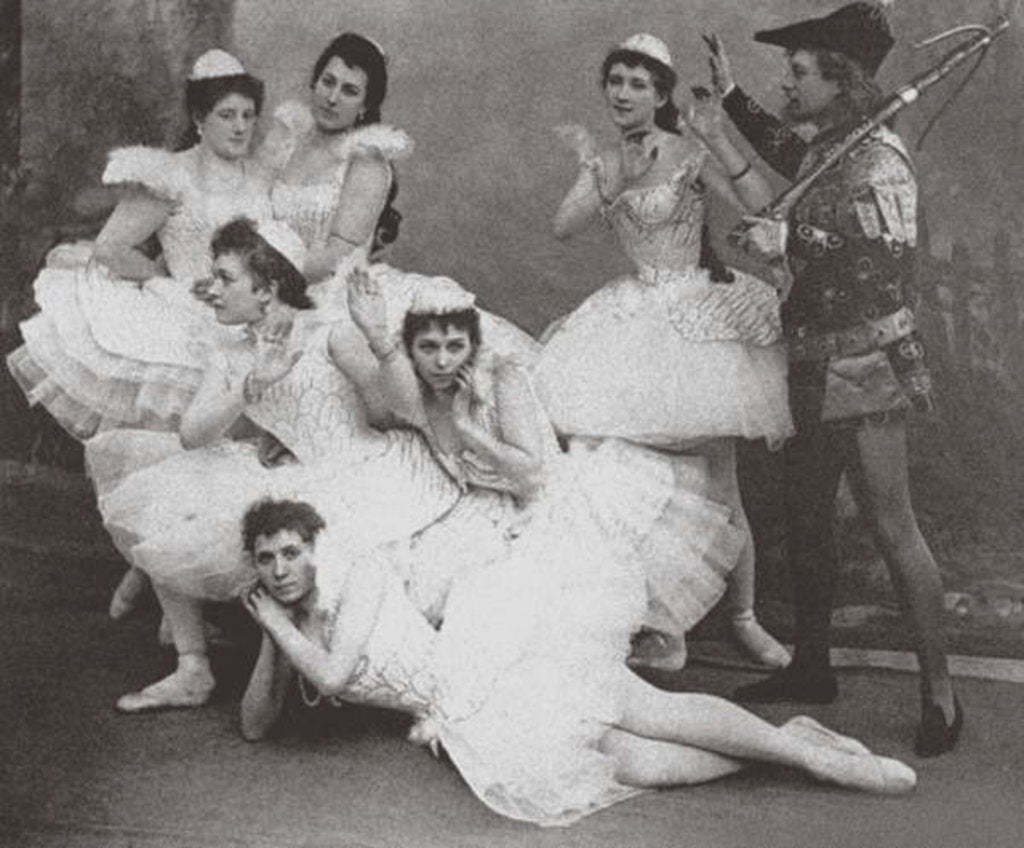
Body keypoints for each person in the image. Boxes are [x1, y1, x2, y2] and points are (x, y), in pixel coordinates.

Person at [240, 495, 917, 828]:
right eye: (266, 559)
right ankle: (786, 743)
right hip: (458, 721)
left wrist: (273, 620)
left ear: (317, 548)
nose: (280, 569)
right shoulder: (289, 625)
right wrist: (272, 637)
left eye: (292, 553)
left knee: (649, 710)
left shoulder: (359, 578)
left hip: (487, 658)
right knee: (639, 766)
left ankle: (818, 760)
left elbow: (331, 676)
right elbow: (254, 725)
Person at [709, 2, 962, 756]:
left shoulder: (881, 156)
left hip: (867, 364)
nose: (787, 82)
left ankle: (941, 694)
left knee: (893, 526)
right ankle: (812, 666)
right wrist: (729, 99)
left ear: (837, 75)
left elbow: (882, 262)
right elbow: (786, 147)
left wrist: (789, 236)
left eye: (797, 71)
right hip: (813, 356)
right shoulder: (836, 143)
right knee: (806, 518)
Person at [90, 217, 462, 712]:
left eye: (225, 278)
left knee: (313, 557)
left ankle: (289, 666)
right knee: (169, 496)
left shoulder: (330, 335)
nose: (212, 289)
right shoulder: (231, 352)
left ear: (266, 289)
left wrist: (375, 341)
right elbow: (193, 434)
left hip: (368, 469)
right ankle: (192, 667)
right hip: (300, 472)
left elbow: (394, 407)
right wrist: (253, 383)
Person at [533, 34, 793, 669]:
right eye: (615, 81)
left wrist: (721, 145)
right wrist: (605, 174)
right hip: (631, 315)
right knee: (618, 474)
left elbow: (762, 202)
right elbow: (563, 229)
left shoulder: (689, 152)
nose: (623, 93)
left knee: (722, 482)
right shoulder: (607, 161)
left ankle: (743, 618)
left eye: (638, 84)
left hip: (695, 317)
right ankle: (657, 620)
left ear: (660, 94)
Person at [347, 272, 742, 639]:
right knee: (424, 581)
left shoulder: (502, 378)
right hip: (490, 506)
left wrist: (467, 428)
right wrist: (377, 334)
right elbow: (389, 389)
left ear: (472, 345)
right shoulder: (419, 396)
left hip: (550, 506)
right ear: (412, 351)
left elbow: (531, 475)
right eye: (428, 348)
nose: (443, 361)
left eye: (455, 346)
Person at [8, 49, 272, 440]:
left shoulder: (259, 177)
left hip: (248, 308)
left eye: (248, 116)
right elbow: (110, 247)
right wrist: (162, 276)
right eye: (227, 115)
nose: (240, 128)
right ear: (200, 119)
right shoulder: (170, 174)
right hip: (188, 306)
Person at [257, 32, 539, 380]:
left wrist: (263, 280)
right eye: (327, 82)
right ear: (314, 82)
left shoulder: (366, 160)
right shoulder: (287, 142)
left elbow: (335, 257)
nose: (332, 98)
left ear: (364, 105)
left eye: (349, 90)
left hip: (334, 294)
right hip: (270, 282)